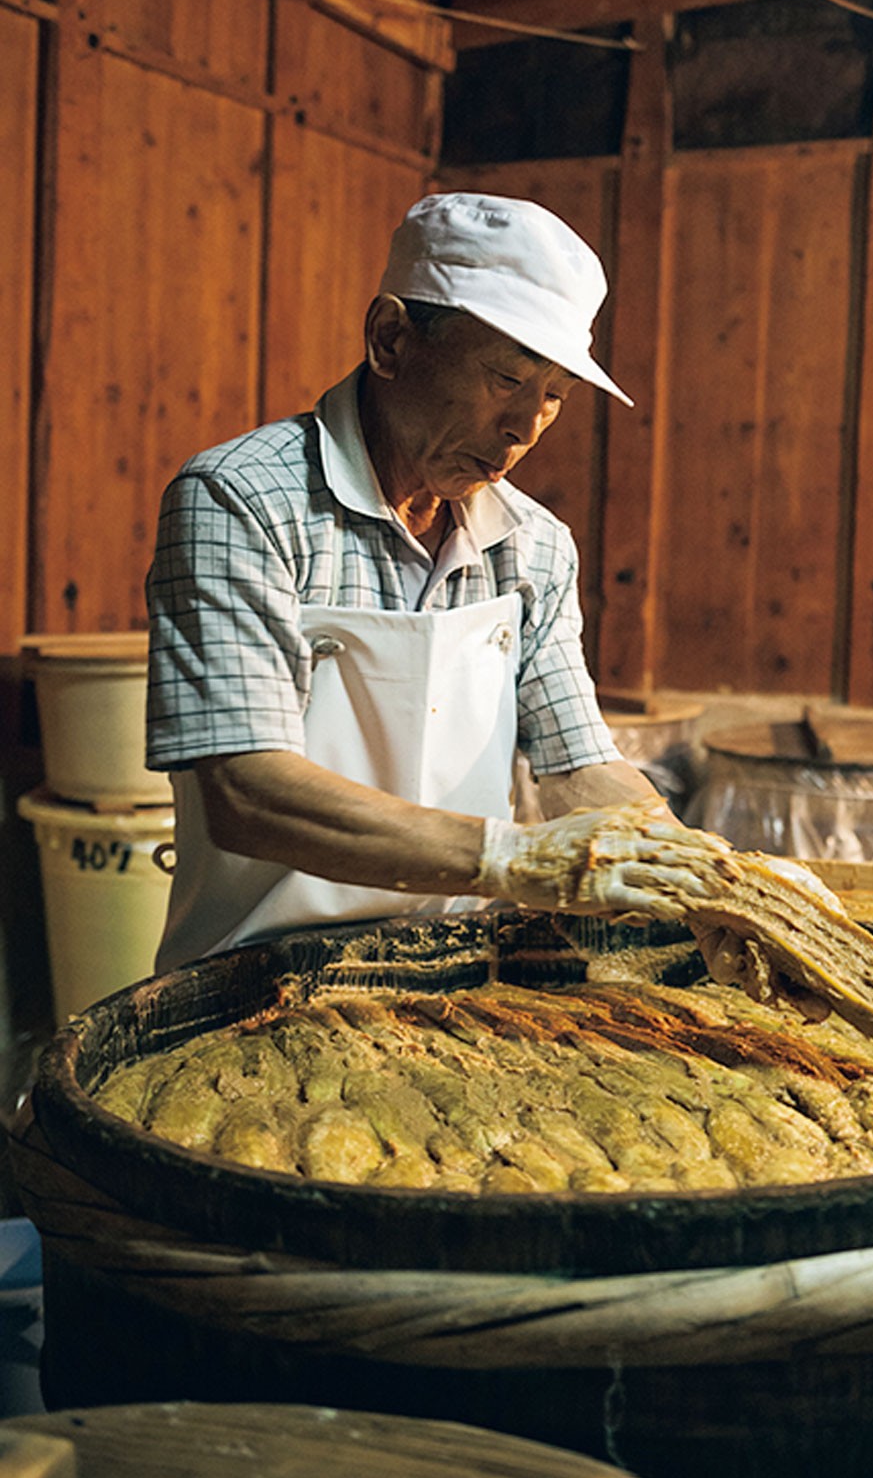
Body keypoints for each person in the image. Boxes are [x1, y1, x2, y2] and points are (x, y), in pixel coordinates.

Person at [145, 192, 711, 972]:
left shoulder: (535, 546)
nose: (525, 427)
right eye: (506, 378)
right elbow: (245, 787)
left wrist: (708, 884)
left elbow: (579, 766)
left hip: (456, 978)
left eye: (554, 397)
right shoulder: (241, 500)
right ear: (389, 339)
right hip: (250, 977)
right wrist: (508, 857)